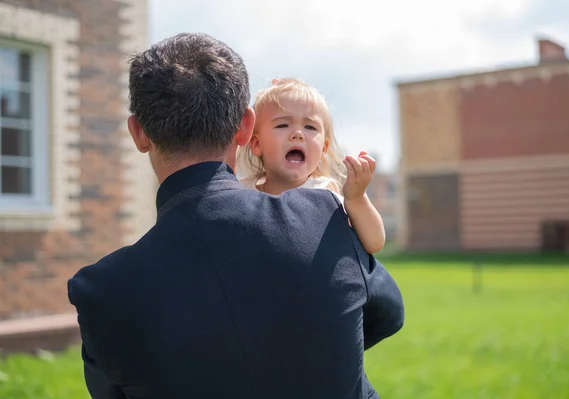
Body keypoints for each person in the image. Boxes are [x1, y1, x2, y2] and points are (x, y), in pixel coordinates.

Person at [67, 32, 404, 399]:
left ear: (138, 133)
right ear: (246, 128)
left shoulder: (100, 291)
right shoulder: (323, 215)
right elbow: (388, 312)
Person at [238, 78, 385, 254]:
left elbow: (374, 243)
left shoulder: (324, 196)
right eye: (283, 125)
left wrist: (356, 198)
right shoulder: (243, 193)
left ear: (324, 148)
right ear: (256, 144)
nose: (298, 134)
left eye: (310, 127)